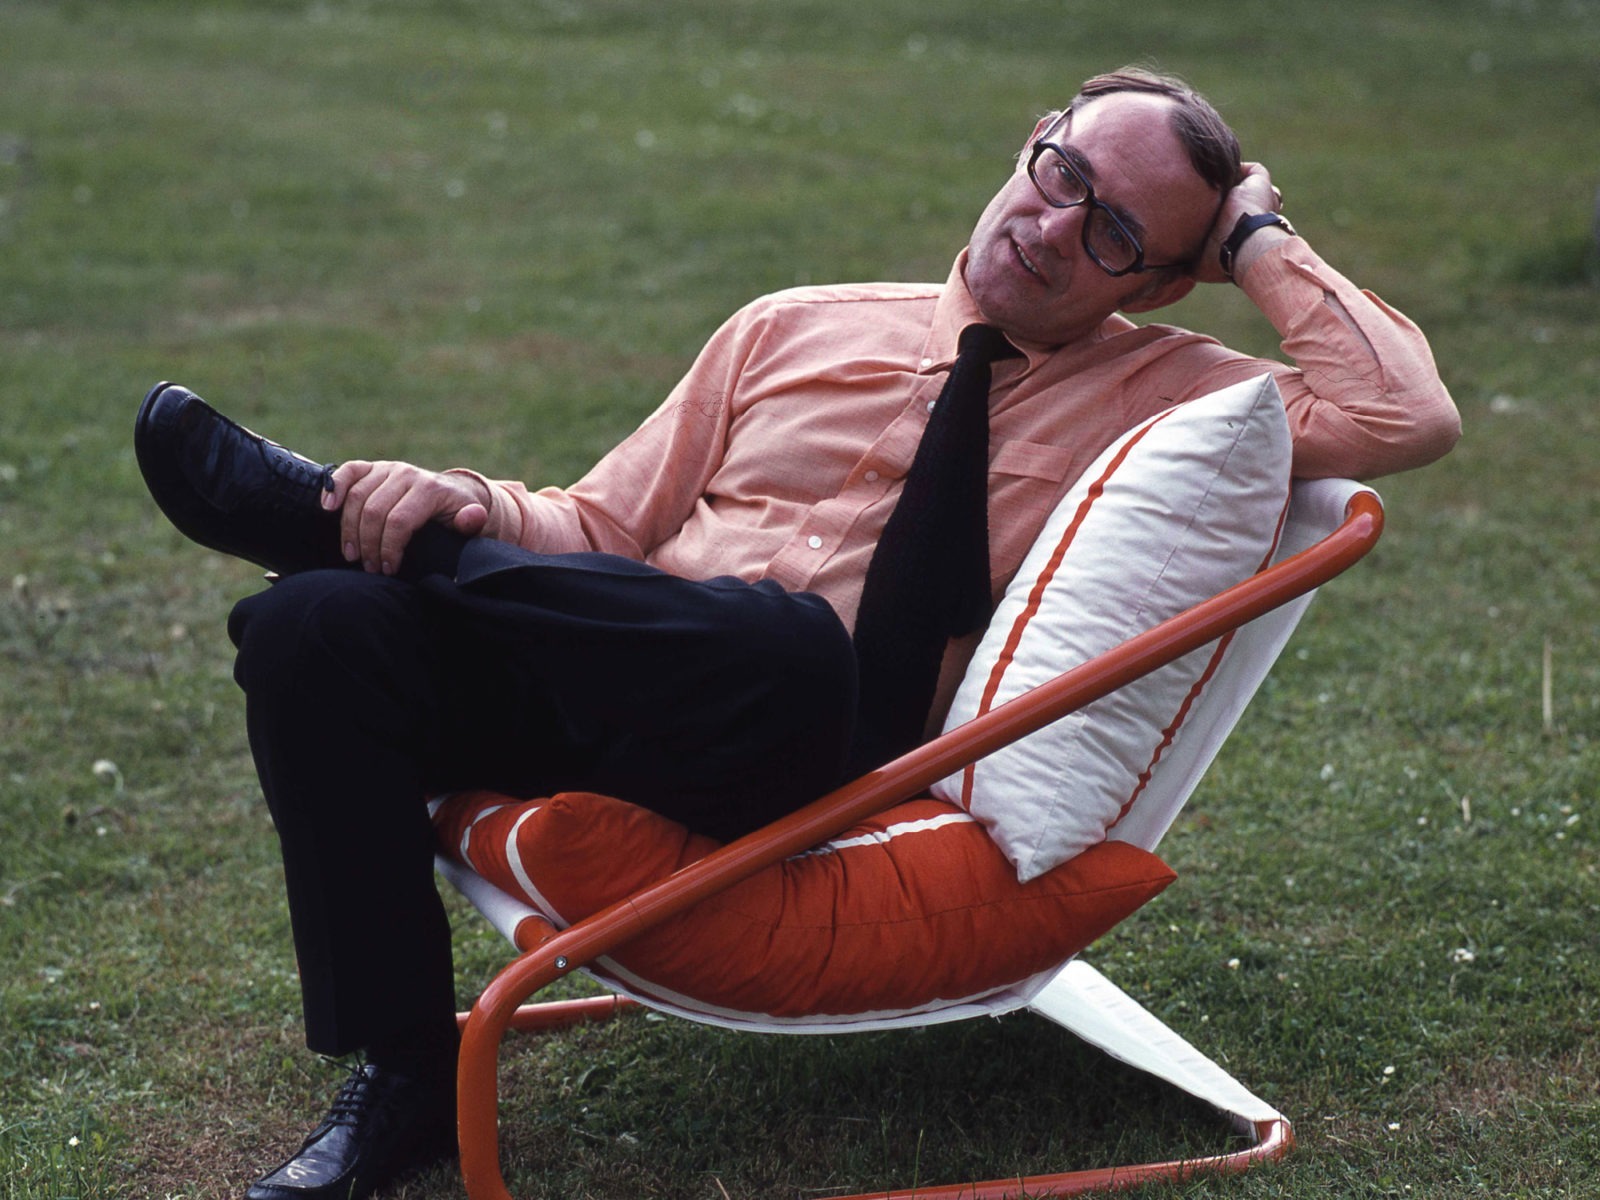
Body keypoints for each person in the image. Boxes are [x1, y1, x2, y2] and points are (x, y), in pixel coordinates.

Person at [135, 68, 1458, 1200]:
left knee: (779, 647)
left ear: (1170, 280)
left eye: (1115, 230)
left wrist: (1260, 237)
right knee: (314, 625)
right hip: (617, 674)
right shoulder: (793, 324)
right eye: (1059, 170)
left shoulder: (1180, 397)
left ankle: (385, 547)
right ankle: (412, 1077)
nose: (1054, 224)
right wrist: (470, 504)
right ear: (1029, 142)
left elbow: (1408, 417)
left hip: (809, 749)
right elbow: (601, 524)